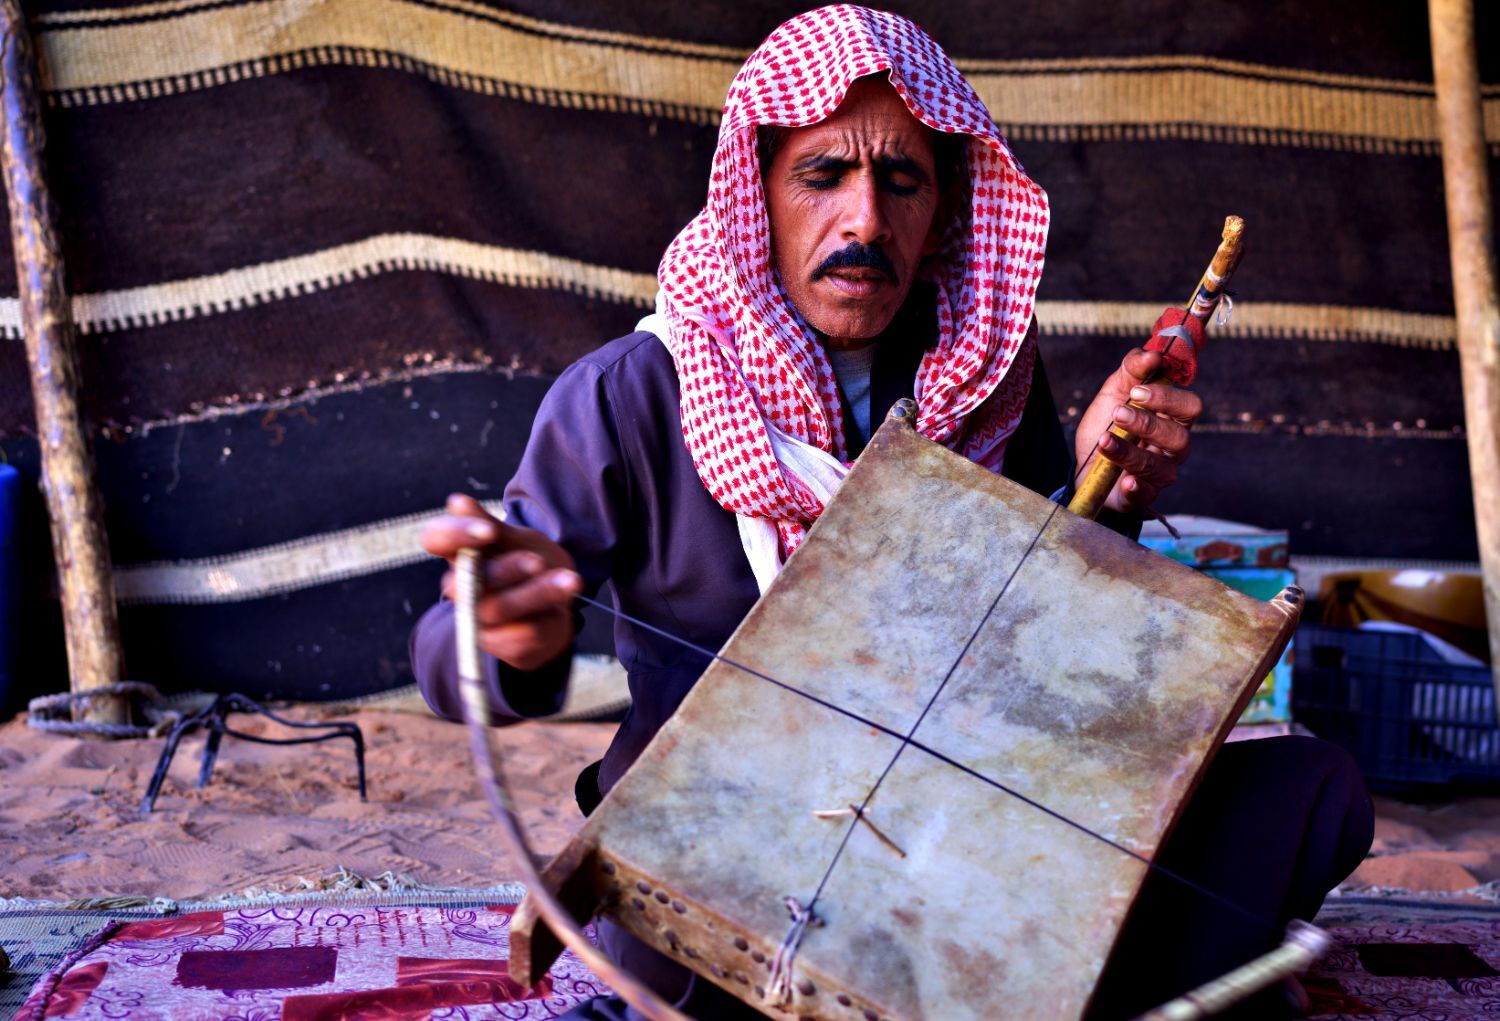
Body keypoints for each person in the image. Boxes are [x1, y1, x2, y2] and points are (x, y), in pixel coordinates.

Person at [412, 7, 1372, 1019]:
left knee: (1307, 794)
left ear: (941, 211)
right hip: (726, 870)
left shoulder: (990, 382)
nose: (865, 220)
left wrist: (1106, 489)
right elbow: (452, 657)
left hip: (959, 843)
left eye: (901, 182)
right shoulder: (635, 390)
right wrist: (507, 629)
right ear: (759, 197)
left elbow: (1042, 649)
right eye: (822, 175)